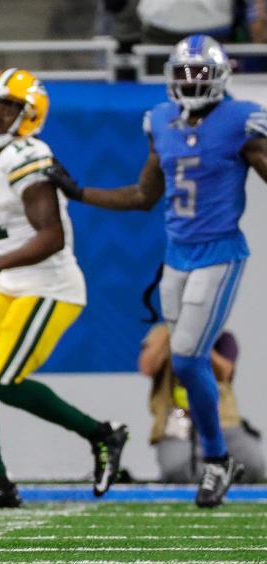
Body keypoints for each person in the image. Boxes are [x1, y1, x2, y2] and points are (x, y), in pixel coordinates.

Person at [47, 35, 267, 507]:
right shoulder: (160, 121)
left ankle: (215, 458)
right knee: (184, 361)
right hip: (176, 255)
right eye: (183, 73)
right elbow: (144, 195)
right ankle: (215, 458)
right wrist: (80, 192)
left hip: (220, 251)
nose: (191, 81)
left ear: (220, 75)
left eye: (199, 73)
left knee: (187, 358)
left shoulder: (240, 120)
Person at [0, 69, 130, 510]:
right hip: (14, 281)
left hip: (51, 285)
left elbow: (51, 236)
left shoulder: (30, 155)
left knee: (6, 382)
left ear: (29, 115)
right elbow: (9, 237)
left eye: (7, 107)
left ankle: (103, 434)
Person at [140, 325, 265, 483]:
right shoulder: (162, 334)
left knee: (253, 466)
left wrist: (198, 344)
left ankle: (215, 478)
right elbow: (147, 367)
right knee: (177, 470)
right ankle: (213, 480)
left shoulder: (221, 336)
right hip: (179, 419)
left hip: (222, 420)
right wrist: (172, 333)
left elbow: (224, 372)